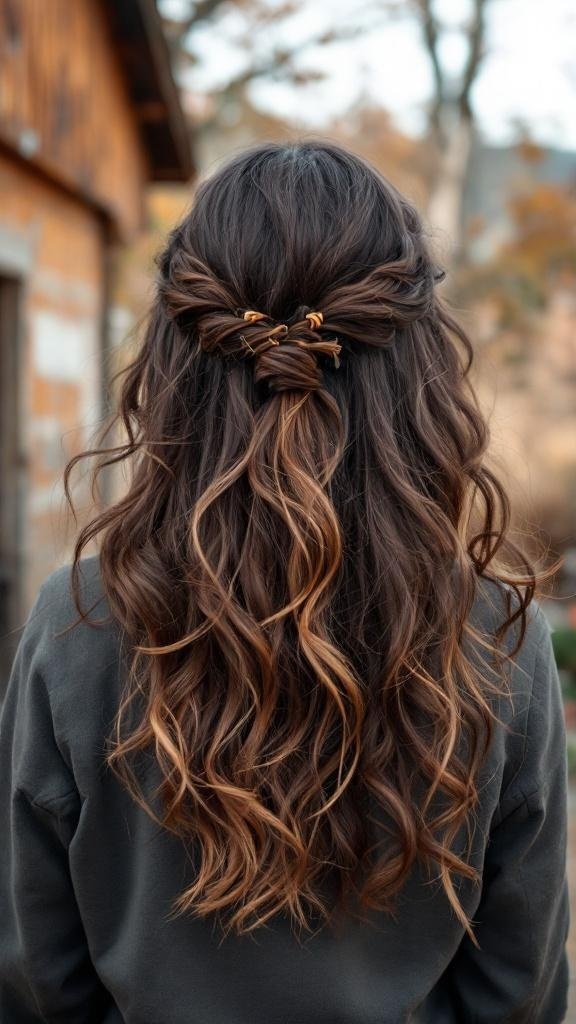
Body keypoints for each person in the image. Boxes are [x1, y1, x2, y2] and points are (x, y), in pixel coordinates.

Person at [0, 140, 570, 1023]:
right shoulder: (504, 638)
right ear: (421, 373)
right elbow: (518, 987)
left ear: (174, 361)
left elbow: (33, 972)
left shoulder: (76, 625)